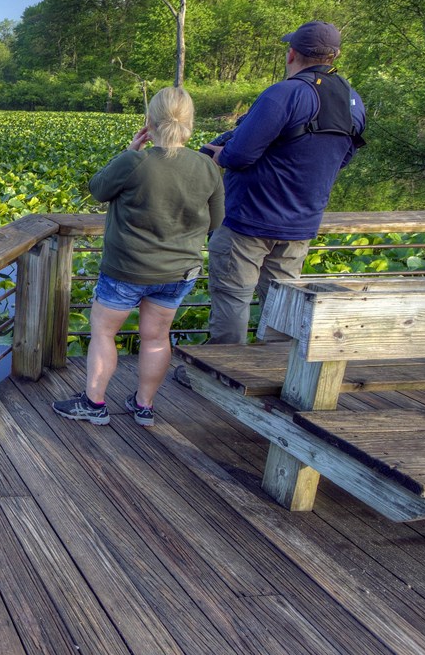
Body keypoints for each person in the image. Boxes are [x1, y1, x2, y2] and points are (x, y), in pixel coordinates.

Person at [54, 86, 224, 427]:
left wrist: (130, 149)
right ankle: (143, 406)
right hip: (178, 273)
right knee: (157, 337)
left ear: (150, 122)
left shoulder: (136, 161)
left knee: (103, 332)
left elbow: (98, 188)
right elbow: (216, 221)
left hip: (126, 270)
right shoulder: (207, 166)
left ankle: (94, 403)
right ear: (189, 124)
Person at [201, 21, 366, 344]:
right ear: (335, 56)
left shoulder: (284, 94)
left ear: (291, 54)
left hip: (248, 220)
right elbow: (343, 157)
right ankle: (274, 370)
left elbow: (239, 155)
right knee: (283, 302)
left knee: (233, 296)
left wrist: (216, 154)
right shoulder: (353, 100)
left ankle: (222, 374)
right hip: (301, 224)